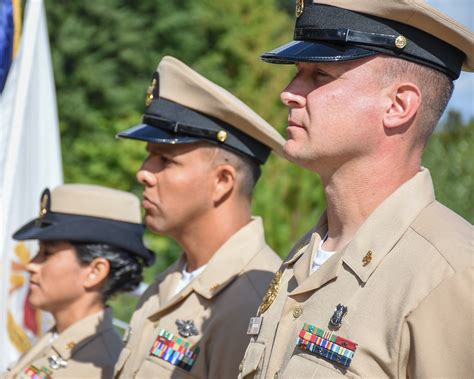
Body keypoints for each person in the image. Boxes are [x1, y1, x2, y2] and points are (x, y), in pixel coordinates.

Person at [238, 1, 473, 378]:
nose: (289, 93)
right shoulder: (304, 257)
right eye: (298, 72)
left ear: (398, 105)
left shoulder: (450, 276)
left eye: (319, 76)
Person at [114, 56, 284, 378]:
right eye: (147, 157)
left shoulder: (252, 300)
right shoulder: (167, 286)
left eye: (164, 161)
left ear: (222, 181)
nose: (143, 174)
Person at [3, 184, 154, 379]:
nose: (31, 265)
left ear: (95, 272)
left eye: (47, 253)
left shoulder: (100, 365)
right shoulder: (56, 340)